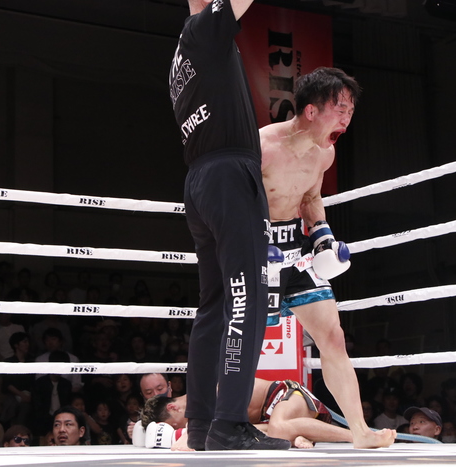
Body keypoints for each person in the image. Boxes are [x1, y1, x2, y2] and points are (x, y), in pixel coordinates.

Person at [169, 0, 287, 451]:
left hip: (201, 179)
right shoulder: (203, 30)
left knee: (215, 304)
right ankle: (229, 423)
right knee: (247, 297)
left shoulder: (182, 55)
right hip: (227, 177)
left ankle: (201, 424)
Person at [258, 66, 396, 449]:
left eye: (350, 110)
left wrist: (322, 236)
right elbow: (228, 202)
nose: (347, 118)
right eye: (340, 109)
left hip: (294, 252)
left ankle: (360, 432)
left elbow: (310, 197)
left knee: (333, 337)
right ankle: (205, 425)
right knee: (241, 341)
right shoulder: (261, 147)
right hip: (254, 251)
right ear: (311, 110)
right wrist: (250, 245)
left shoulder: (325, 153)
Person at [142, 378, 354, 449]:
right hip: (274, 416)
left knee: (278, 429)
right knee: (267, 431)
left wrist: (190, 435)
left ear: (172, 408)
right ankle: (298, 434)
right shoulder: (202, 408)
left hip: (286, 395)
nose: (180, 428)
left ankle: (355, 436)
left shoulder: (209, 394)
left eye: (176, 425)